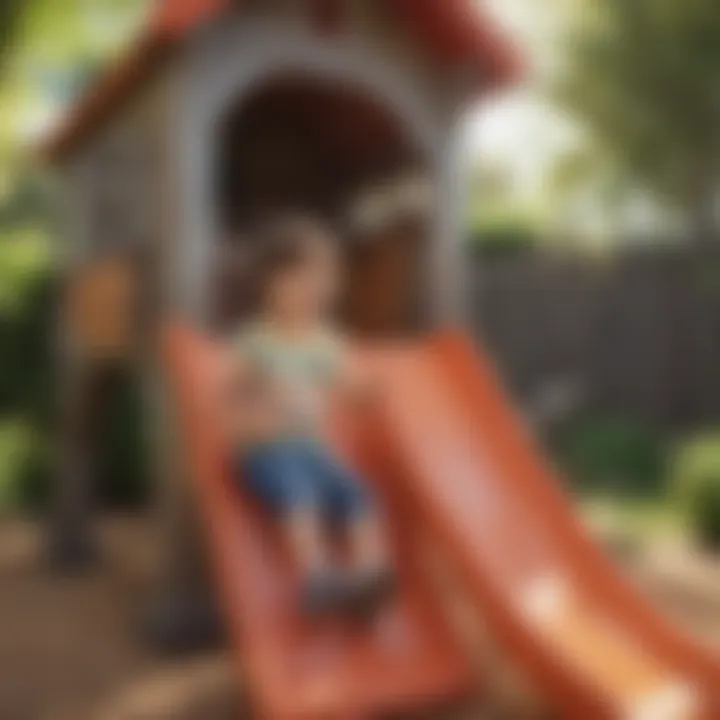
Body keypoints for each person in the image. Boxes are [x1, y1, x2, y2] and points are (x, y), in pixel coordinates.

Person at [226, 215, 393, 618]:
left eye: (325, 280)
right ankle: (316, 578)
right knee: (299, 494)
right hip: (268, 452)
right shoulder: (255, 342)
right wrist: (254, 422)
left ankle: (369, 577)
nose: (318, 290)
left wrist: (369, 391)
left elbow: (352, 388)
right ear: (272, 284)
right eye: (304, 279)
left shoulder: (325, 343)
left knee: (359, 493)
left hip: (315, 452)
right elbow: (231, 404)